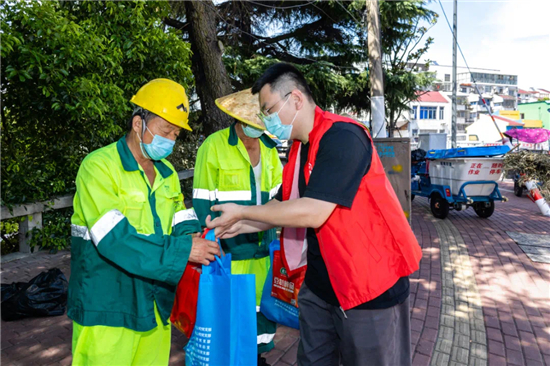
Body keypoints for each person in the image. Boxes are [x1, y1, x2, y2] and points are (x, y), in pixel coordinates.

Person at [206, 64, 422, 366]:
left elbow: (313, 211)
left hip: (369, 284)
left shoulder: (343, 136)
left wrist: (242, 211)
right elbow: (279, 207)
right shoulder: (299, 149)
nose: (266, 120)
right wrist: (239, 223)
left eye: (269, 110)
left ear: (296, 99)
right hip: (322, 284)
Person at [68, 78, 220, 365]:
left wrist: (200, 238)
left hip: (155, 303)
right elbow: (115, 239)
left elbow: (182, 220)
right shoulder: (98, 167)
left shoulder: (168, 174)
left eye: (176, 134)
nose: (171, 141)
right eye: (166, 130)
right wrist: (183, 251)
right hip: (108, 303)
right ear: (139, 123)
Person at [192, 89, 283, 365]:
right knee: (231, 311)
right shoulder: (214, 145)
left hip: (263, 248)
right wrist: (208, 242)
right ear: (239, 120)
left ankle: (258, 357)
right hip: (229, 250)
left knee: (261, 310)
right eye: (253, 122)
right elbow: (202, 202)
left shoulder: (269, 149)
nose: (258, 128)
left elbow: (280, 196)